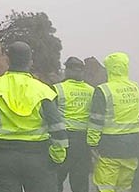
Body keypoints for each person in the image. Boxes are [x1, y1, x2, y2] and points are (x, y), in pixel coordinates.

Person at [0, 41, 68, 192]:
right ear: (30, 62)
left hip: (3, 156)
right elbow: (58, 129)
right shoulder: (44, 90)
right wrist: (57, 157)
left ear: (8, 59)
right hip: (38, 158)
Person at [87, 52, 139, 192]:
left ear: (109, 69)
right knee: (124, 187)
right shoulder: (135, 87)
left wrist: (92, 143)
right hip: (133, 145)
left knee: (105, 186)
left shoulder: (103, 90)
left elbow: (96, 121)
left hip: (109, 146)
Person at [54, 57, 94, 192]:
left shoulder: (57, 89)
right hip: (83, 142)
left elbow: (49, 116)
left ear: (67, 70)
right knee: (81, 183)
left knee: (56, 180)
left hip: (62, 141)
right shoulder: (91, 91)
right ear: (82, 71)